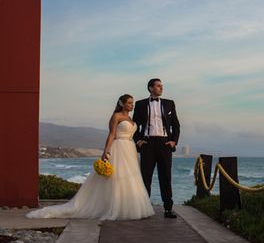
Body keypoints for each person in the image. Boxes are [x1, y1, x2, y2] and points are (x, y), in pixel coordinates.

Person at [26, 94, 154, 221]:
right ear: (122, 103)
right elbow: (111, 135)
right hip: (119, 147)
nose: (132, 105)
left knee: (131, 177)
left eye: (132, 102)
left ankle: (131, 207)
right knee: (117, 178)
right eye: (129, 103)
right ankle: (116, 208)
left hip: (130, 149)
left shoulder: (131, 119)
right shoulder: (116, 116)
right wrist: (106, 151)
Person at [133, 78, 180, 218]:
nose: (161, 88)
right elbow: (134, 125)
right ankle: (144, 208)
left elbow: (176, 125)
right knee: (146, 177)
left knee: (165, 176)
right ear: (150, 88)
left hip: (165, 144)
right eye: (158, 86)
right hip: (147, 144)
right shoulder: (140, 104)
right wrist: (138, 140)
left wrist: (174, 142)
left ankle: (168, 208)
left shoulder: (169, 103)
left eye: (162, 86)